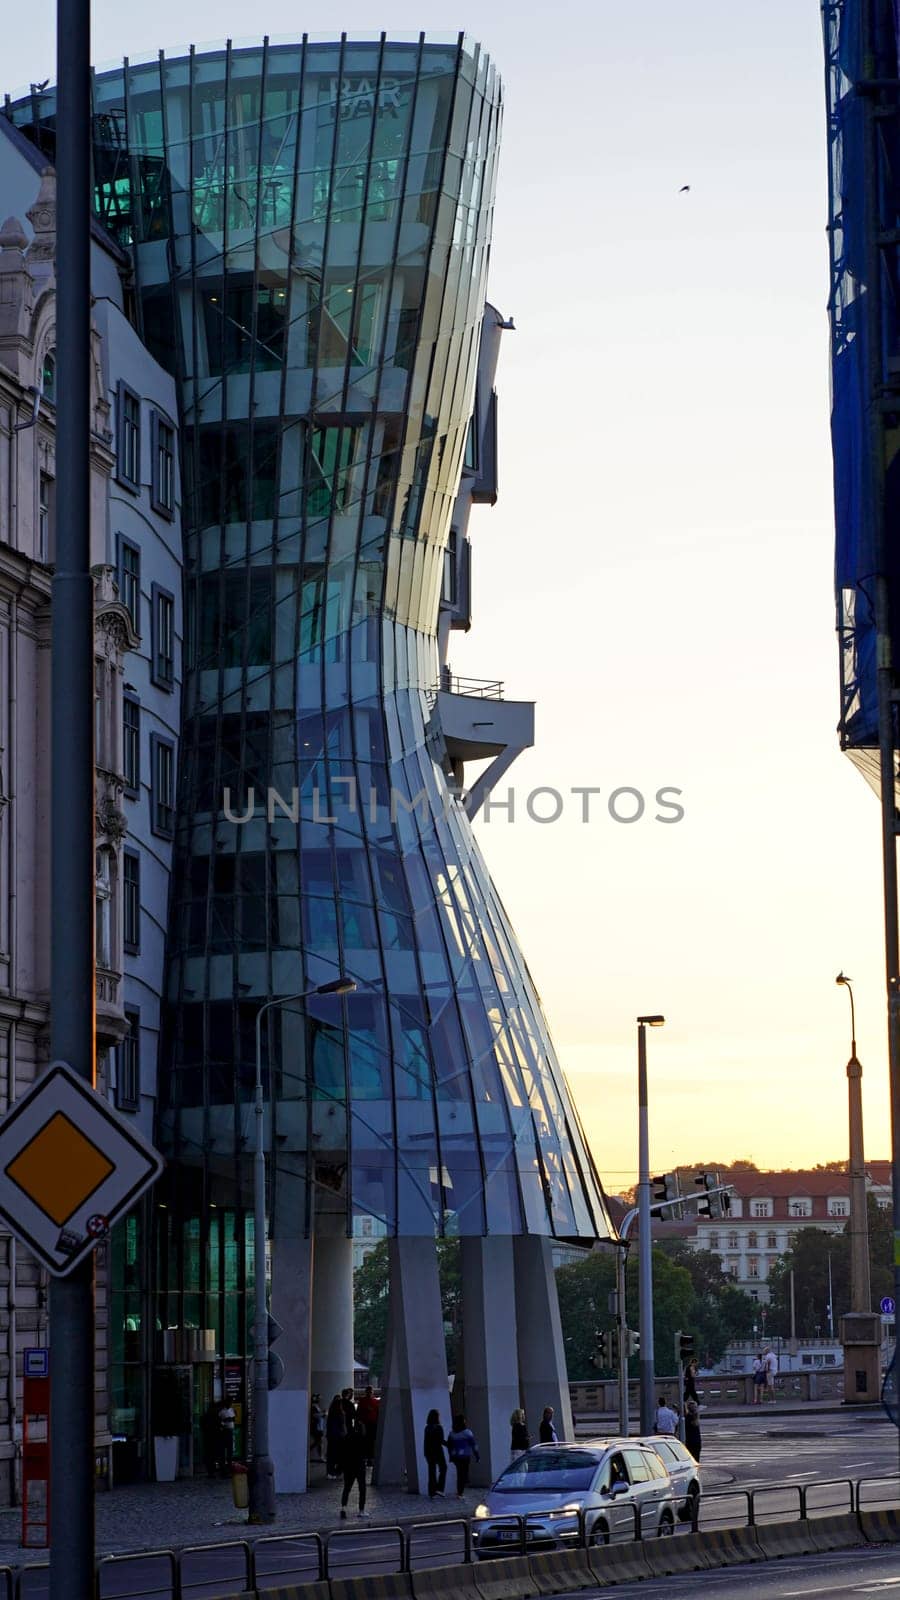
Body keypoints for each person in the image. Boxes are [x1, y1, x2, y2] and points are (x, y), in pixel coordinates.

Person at [339, 1418, 371, 1519]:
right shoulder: (362, 1438)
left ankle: (343, 1508)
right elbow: (366, 1451)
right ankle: (361, 1510)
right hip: (359, 1465)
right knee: (362, 1488)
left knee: (347, 1488)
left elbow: (343, 1453)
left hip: (348, 1466)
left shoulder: (347, 1437)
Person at [447, 1413, 479, 1497]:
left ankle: (459, 1491)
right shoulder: (467, 1432)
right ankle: (460, 1492)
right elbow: (473, 1444)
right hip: (465, 1456)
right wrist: (477, 1455)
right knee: (463, 1473)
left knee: (459, 1473)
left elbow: (449, 1445)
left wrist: (451, 1456)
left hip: (456, 1456)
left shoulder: (452, 1433)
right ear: (463, 1422)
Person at [423, 1408, 447, 1498]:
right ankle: (439, 1489)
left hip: (428, 1452)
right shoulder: (438, 1427)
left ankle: (431, 1492)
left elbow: (426, 1441)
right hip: (438, 1451)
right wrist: (449, 1444)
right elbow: (441, 1441)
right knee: (443, 1468)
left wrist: (425, 1452)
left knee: (431, 1471)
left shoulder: (427, 1428)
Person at [357, 1385, 380, 1467]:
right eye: (369, 1391)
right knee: (368, 1441)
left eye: (370, 1391)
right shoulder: (366, 1401)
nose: (370, 1393)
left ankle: (369, 1458)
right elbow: (359, 1413)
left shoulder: (370, 1401)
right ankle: (368, 1458)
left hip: (371, 1424)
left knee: (369, 1441)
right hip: (366, 1424)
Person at [326, 1393, 347, 1479]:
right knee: (340, 1455)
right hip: (339, 1436)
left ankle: (331, 1472)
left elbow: (329, 1425)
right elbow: (342, 1425)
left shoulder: (331, 1413)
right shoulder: (340, 1413)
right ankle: (338, 1471)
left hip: (332, 1436)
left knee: (331, 1454)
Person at [218, 1401, 236, 1470]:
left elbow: (233, 1419)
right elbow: (220, 1421)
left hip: (230, 1430)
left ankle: (229, 1465)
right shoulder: (222, 1411)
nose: (230, 1404)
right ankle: (223, 1466)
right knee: (224, 1450)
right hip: (225, 1431)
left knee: (230, 1450)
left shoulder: (231, 1410)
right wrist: (226, 1421)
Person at [684, 1396, 702, 1461]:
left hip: (691, 1442)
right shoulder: (692, 1417)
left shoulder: (687, 1417)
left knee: (692, 1459)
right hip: (694, 1442)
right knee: (696, 1459)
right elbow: (695, 1424)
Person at [309, 1394, 325, 1461]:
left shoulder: (316, 1406)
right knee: (319, 1442)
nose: (320, 1400)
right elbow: (314, 1415)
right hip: (316, 1427)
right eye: (318, 1398)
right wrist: (323, 1414)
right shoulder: (313, 1407)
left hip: (318, 1427)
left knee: (318, 1442)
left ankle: (320, 1456)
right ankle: (320, 1457)